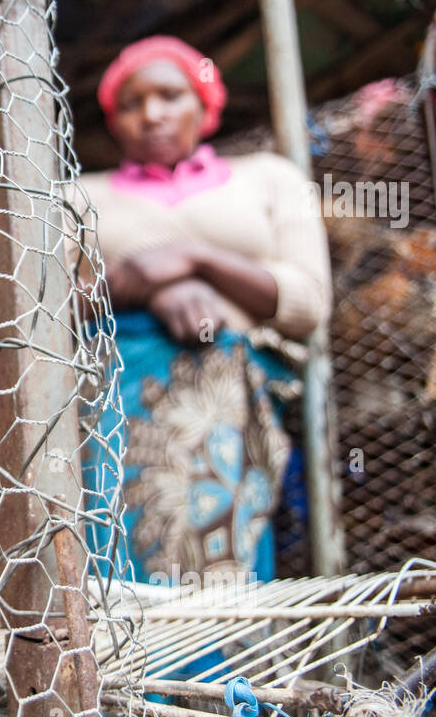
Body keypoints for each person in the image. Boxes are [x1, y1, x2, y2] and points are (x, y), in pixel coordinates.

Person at [81, 34, 331, 620]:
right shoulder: (78, 193)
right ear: (113, 121)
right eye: (131, 103)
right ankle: (133, 712)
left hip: (231, 410)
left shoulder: (269, 178)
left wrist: (199, 260)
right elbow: (40, 305)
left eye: (170, 95)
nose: (151, 113)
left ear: (204, 103)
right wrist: (146, 282)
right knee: (123, 577)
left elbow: (307, 299)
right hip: (119, 403)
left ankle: (223, 709)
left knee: (227, 571)